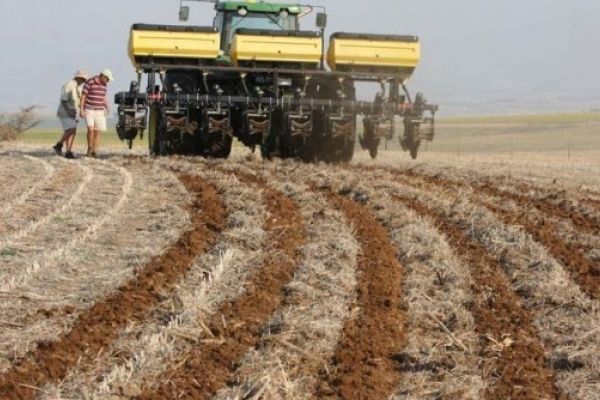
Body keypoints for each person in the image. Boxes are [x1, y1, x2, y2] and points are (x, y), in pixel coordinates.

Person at [53, 70, 89, 159]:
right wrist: (69, 111)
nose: (84, 81)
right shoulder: (69, 85)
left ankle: (68, 151)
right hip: (65, 112)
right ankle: (59, 145)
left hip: (73, 112)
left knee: (72, 131)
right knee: (71, 130)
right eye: (83, 79)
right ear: (79, 78)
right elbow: (63, 100)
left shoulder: (78, 87)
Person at [80, 69, 114, 157]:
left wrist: (107, 107)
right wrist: (81, 110)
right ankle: (90, 148)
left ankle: (95, 150)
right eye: (107, 79)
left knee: (98, 131)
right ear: (103, 76)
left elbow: (103, 97)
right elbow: (83, 96)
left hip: (100, 110)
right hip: (89, 109)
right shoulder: (90, 82)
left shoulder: (104, 85)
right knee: (90, 130)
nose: (108, 81)